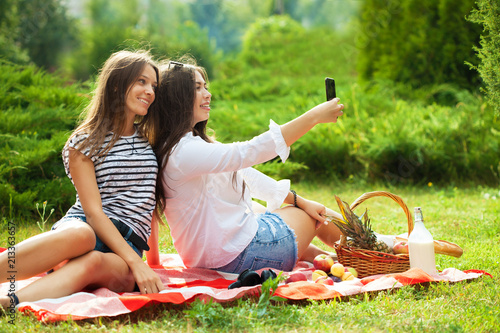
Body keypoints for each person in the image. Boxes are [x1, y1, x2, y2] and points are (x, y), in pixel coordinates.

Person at [145, 59, 346, 275]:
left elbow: (247, 175)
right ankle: (374, 246)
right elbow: (250, 151)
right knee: (308, 215)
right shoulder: (184, 151)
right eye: (197, 88)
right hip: (239, 258)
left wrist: (301, 200)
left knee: (263, 208)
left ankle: (327, 256)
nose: (207, 94)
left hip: (208, 258)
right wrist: (314, 116)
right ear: (176, 98)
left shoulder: (175, 146)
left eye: (205, 86)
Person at [0, 50, 164, 309]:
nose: (150, 91)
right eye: (141, 81)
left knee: (94, 262)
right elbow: (94, 214)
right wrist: (137, 265)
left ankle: (8, 303)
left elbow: (148, 200)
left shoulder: (149, 141)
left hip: (126, 248)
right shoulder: (84, 142)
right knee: (82, 236)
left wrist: (150, 262)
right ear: (117, 84)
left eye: (153, 85)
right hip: (85, 228)